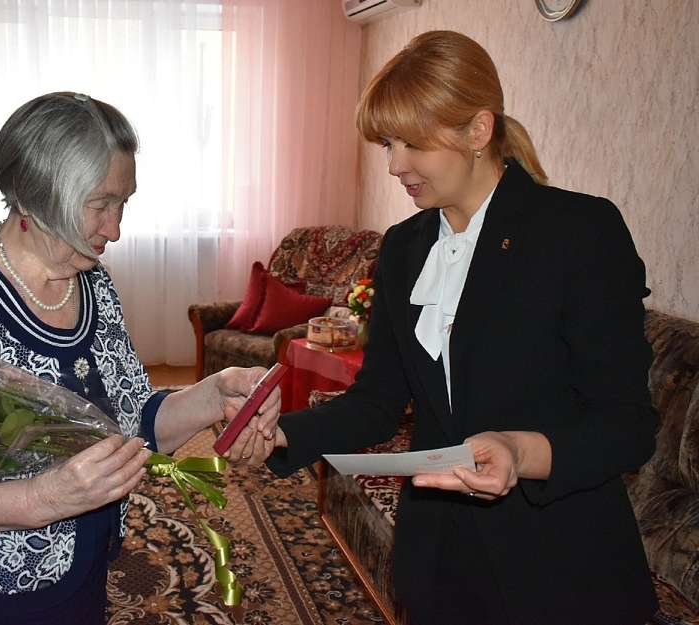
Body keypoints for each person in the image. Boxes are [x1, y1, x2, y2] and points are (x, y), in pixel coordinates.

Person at [260, 31, 658, 625]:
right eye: (388, 143)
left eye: (412, 143)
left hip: (559, 564)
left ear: (478, 130)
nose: (395, 165)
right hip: (439, 559)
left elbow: (628, 427)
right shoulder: (403, 249)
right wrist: (279, 430)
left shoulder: (579, 233)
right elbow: (378, 402)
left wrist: (522, 452)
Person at [0, 92, 279, 625]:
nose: (116, 228)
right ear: (34, 194)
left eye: (124, 202)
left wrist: (215, 394)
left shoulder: (93, 284)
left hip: (78, 576)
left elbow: (131, 425)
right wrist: (39, 500)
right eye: (100, 204)